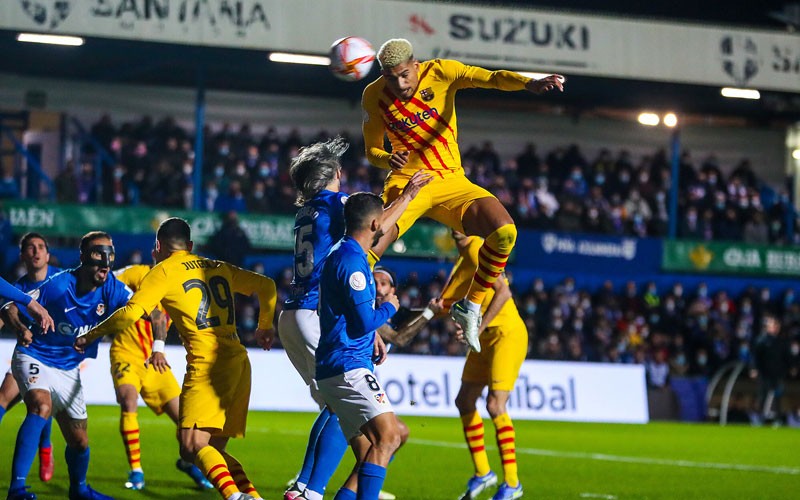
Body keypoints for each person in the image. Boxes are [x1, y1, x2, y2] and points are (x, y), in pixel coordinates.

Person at [362, 37, 563, 352]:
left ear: (415, 65)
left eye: (404, 74)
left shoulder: (442, 72)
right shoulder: (373, 95)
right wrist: (388, 158)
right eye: (390, 77)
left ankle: (471, 306)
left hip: (451, 179)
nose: (399, 83)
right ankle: (355, 313)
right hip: (406, 181)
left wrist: (528, 84)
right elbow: (371, 150)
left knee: (505, 232)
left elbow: (492, 78)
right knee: (370, 244)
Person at [76, 217, 277, 500]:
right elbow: (267, 285)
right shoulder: (215, 266)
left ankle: (235, 498)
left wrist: (91, 335)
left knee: (191, 445)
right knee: (212, 451)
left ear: (157, 246)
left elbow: (131, 313)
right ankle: (253, 497)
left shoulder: (162, 272)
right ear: (190, 245)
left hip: (209, 366)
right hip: (239, 362)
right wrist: (265, 325)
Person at [280, 138, 430, 500]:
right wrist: (408, 196)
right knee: (342, 399)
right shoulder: (336, 204)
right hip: (318, 310)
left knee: (340, 407)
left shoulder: (308, 212)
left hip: (294, 313)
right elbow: (374, 224)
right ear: (333, 175)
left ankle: (356, 485)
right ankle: (307, 489)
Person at [4, 231, 131, 500]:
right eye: (98, 255)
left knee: (80, 441)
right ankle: (17, 489)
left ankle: (79, 490)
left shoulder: (112, 287)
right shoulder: (58, 285)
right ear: (83, 258)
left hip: (69, 368)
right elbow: (11, 306)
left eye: (110, 255)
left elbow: (139, 307)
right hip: (35, 355)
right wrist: (18, 328)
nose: (105, 263)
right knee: (41, 406)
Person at [316, 192, 407, 500]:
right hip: (347, 365)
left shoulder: (340, 252)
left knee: (374, 445)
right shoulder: (354, 263)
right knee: (390, 436)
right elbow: (361, 323)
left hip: (335, 366)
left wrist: (408, 196)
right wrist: (390, 308)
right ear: (374, 223)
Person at [109, 263, 213, 491]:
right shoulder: (137, 273)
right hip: (126, 353)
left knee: (187, 421)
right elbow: (107, 282)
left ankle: (187, 463)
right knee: (128, 400)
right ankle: (136, 470)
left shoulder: (180, 288)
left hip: (154, 361)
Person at [442, 231, 528, 500]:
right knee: (465, 401)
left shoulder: (478, 246)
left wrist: (476, 328)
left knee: (495, 405)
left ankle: (512, 483)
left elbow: (503, 292)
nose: (457, 227)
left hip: (505, 334)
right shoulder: (461, 259)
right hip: (483, 336)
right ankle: (483, 473)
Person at [0, 233, 61, 483]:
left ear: (47, 254)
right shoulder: (19, 288)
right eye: (30, 248)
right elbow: (6, 312)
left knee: (41, 404)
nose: (35, 252)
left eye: (40, 247)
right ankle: (44, 450)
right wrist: (17, 326)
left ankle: (45, 448)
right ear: (23, 256)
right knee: (4, 396)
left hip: (59, 359)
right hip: (29, 355)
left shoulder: (63, 280)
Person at [750, 312, 792, 424]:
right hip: (765, 374)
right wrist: (754, 369)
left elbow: (787, 357)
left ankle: (778, 419)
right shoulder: (762, 341)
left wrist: (790, 368)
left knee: (777, 397)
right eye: (773, 325)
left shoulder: (781, 341)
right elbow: (755, 357)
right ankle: (759, 418)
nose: (775, 327)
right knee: (763, 396)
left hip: (777, 375)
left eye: (776, 325)